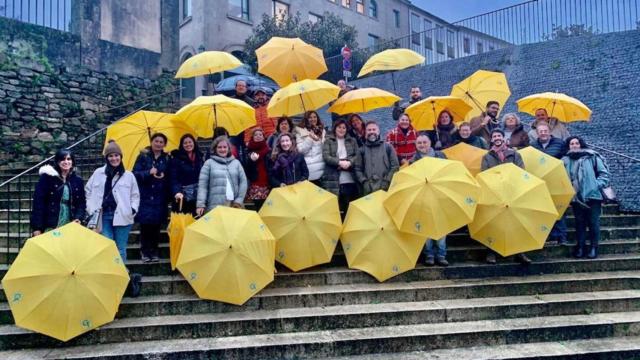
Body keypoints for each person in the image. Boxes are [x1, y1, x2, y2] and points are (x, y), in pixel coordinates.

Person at [481, 129, 531, 265]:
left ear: (504, 138)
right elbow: (485, 174)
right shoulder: (487, 156)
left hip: (512, 192)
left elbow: (521, 171)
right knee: (493, 224)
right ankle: (491, 252)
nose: (497, 138)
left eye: (499, 136)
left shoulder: (514, 154)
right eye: (494, 136)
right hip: (495, 193)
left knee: (516, 223)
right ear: (491, 140)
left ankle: (519, 252)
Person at [85, 140, 140, 262]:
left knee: (120, 248)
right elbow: (87, 191)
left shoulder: (128, 175)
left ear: (121, 157)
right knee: (107, 247)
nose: (114, 158)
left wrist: (132, 209)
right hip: (103, 216)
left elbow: (135, 195)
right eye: (110, 156)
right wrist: (91, 208)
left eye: (116, 155)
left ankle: (122, 277)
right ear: (106, 158)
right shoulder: (98, 173)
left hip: (123, 216)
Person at [562, 136, 610, 259]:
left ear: (581, 144)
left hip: (593, 196)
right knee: (579, 223)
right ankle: (581, 246)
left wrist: (595, 185)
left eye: (576, 143)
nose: (574, 145)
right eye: (571, 143)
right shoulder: (565, 160)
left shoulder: (592, 156)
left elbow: (604, 174)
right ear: (568, 146)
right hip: (576, 197)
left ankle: (594, 247)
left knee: (593, 222)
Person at [410, 135, 449, 267]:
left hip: (439, 195)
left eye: (424, 142)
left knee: (441, 227)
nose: (422, 145)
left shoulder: (440, 156)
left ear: (430, 142)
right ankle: (429, 255)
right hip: (423, 197)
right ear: (416, 145)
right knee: (426, 227)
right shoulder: (413, 160)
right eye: (419, 143)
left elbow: (448, 172)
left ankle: (441, 255)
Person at [132, 133, 170, 263]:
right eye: (156, 141)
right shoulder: (143, 157)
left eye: (161, 142)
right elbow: (135, 174)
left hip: (160, 197)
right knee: (145, 226)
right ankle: (145, 251)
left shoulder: (166, 158)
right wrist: (148, 172)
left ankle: (154, 252)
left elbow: (170, 175)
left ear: (164, 144)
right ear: (152, 141)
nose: (158, 144)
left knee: (156, 226)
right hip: (146, 197)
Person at [31, 149, 86, 236]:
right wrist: (37, 227)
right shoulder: (47, 178)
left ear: (72, 161)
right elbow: (38, 203)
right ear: (57, 161)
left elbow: (81, 203)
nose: (66, 162)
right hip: (51, 221)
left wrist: (78, 218)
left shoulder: (77, 180)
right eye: (62, 159)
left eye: (69, 159)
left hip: (70, 222)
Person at [196, 136, 248, 215]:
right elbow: (203, 186)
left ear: (228, 148)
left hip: (234, 205)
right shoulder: (208, 163)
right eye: (219, 147)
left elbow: (243, 182)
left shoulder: (236, 163)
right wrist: (200, 204)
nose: (222, 149)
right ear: (215, 149)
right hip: (215, 206)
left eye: (225, 147)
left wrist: (239, 200)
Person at [322, 119, 360, 219]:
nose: (341, 129)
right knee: (336, 208)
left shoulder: (352, 141)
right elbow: (326, 156)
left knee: (350, 206)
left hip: (350, 178)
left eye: (344, 128)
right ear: (335, 128)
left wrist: (350, 162)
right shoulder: (328, 141)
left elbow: (358, 156)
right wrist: (339, 162)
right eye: (339, 127)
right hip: (334, 178)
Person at [355, 121, 400, 195]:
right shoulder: (361, 150)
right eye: (369, 130)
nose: (372, 132)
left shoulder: (388, 147)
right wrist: (364, 182)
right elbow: (357, 169)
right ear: (365, 132)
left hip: (386, 188)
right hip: (368, 190)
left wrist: (387, 181)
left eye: (374, 129)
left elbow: (395, 166)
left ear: (378, 131)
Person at [169, 134, 204, 215]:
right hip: (183, 196)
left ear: (194, 143)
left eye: (190, 142)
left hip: (198, 195)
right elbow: (173, 178)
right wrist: (177, 191)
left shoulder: (200, 157)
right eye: (185, 143)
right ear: (182, 145)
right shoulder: (176, 159)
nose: (188, 144)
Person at [294, 110, 325, 185]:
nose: (313, 119)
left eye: (315, 117)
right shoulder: (300, 132)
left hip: (322, 169)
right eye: (310, 117)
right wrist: (310, 138)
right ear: (306, 119)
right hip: (309, 169)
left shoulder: (322, 131)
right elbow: (301, 151)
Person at [229, 79, 254, 166]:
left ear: (246, 88)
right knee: (233, 151)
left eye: (243, 86)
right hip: (233, 130)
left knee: (245, 152)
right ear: (235, 87)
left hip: (246, 130)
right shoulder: (230, 100)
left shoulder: (251, 101)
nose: (241, 87)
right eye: (239, 85)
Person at [245, 128, 271, 210]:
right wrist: (251, 161)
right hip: (255, 184)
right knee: (258, 208)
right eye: (256, 135)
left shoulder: (268, 150)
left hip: (267, 183)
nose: (258, 136)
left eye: (260, 134)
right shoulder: (248, 150)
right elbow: (247, 168)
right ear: (252, 137)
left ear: (264, 137)